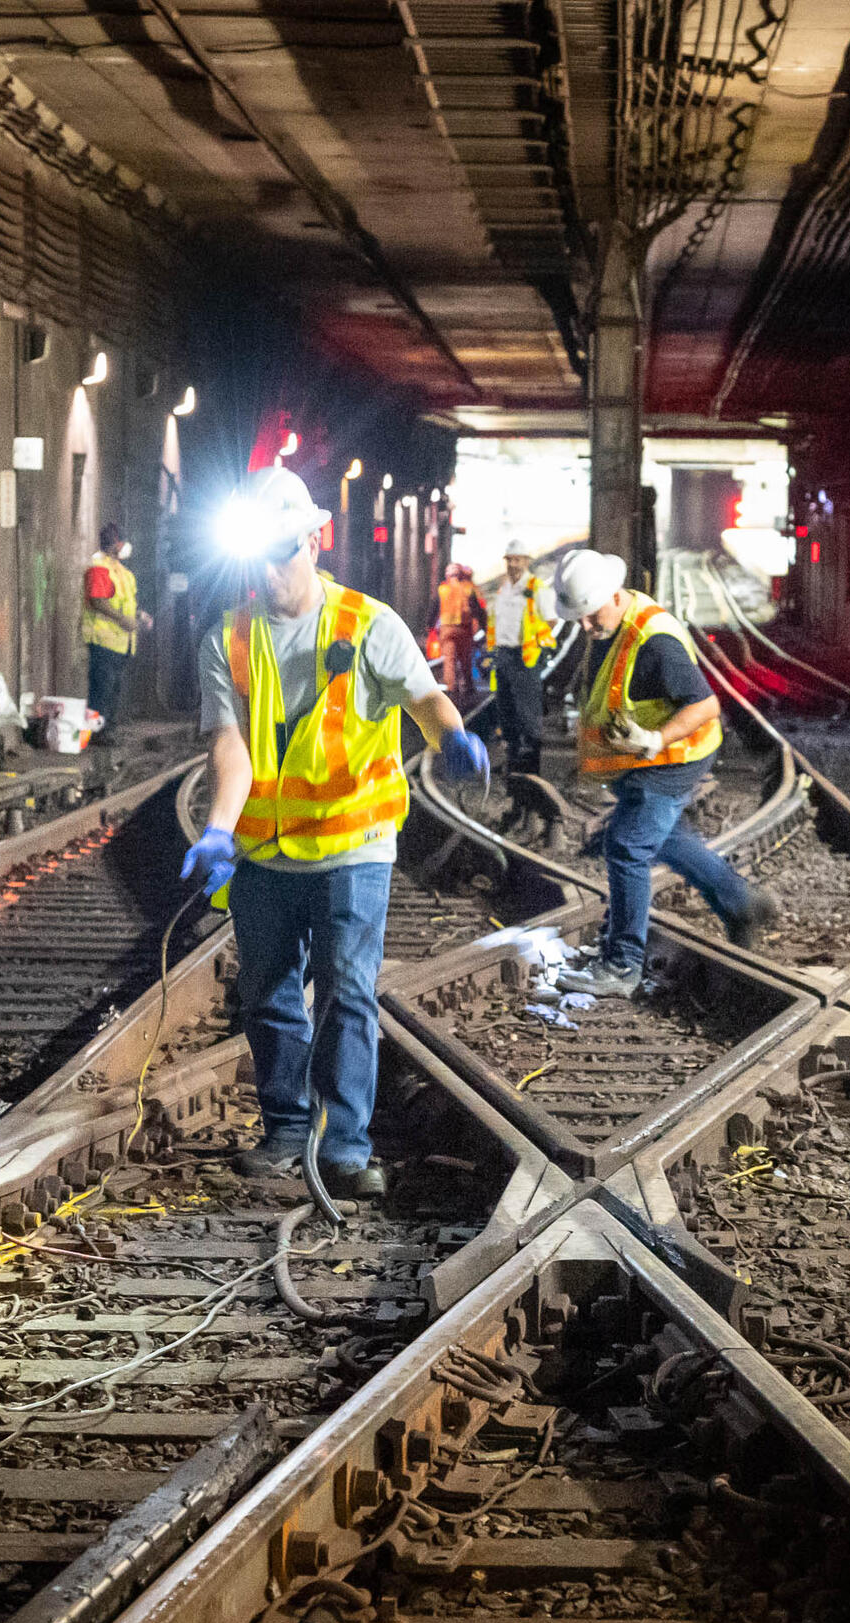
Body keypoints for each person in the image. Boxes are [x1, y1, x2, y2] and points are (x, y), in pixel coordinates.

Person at [184, 468, 490, 1198]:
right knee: (265, 993)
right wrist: (218, 830)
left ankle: (346, 1144)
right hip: (263, 853)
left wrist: (452, 739)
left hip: (354, 847)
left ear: (314, 541)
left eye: (282, 550)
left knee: (347, 991)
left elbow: (425, 701)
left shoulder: (369, 625)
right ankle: (288, 1129)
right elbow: (231, 749)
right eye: (255, 555)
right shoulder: (227, 638)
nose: (268, 569)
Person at [549, 550, 779, 997]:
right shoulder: (611, 623)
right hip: (645, 760)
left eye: (591, 615)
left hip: (673, 759)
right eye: (579, 618)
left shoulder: (654, 642)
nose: (586, 627)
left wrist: (655, 740)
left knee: (628, 846)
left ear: (614, 596)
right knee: (666, 837)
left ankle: (621, 965)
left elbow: (705, 704)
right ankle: (742, 902)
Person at [483, 540, 556, 775]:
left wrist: (536, 642)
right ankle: (512, 761)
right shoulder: (504, 589)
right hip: (504, 654)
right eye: (510, 560)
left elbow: (552, 620)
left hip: (525, 657)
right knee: (506, 710)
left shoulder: (537, 588)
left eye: (517, 559)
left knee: (527, 712)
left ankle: (531, 765)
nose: (513, 564)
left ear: (526, 561)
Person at [83, 524, 152, 742]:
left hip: (120, 643)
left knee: (112, 689)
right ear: (118, 544)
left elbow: (126, 604)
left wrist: (140, 616)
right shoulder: (100, 567)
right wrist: (123, 620)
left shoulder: (124, 573)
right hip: (103, 640)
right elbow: (97, 600)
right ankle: (97, 733)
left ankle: (108, 729)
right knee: (101, 690)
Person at [428, 563, 479, 695]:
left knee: (449, 660)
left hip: (447, 629)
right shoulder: (467, 588)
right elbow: (476, 609)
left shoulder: (442, 589)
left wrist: (430, 626)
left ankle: (452, 688)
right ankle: (468, 686)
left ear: (447, 575)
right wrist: (482, 625)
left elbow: (434, 609)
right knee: (465, 659)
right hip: (464, 629)